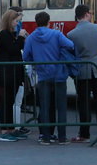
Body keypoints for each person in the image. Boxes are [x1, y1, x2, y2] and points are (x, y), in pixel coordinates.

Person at [22, 11, 75, 145]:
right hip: (59, 75)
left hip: (43, 75)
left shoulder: (31, 37)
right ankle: (62, 137)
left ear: (36, 22)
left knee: (44, 107)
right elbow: (71, 45)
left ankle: (45, 137)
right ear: (48, 22)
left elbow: (26, 56)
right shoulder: (56, 34)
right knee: (61, 108)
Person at [67, 4, 97, 142]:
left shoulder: (71, 34)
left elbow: (71, 53)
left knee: (84, 103)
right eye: (90, 13)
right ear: (86, 14)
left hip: (82, 71)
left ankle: (84, 134)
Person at [0, 9, 29, 142]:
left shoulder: (9, 34)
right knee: (6, 101)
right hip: (6, 73)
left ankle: (11, 128)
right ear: (9, 21)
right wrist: (21, 37)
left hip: (12, 73)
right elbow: (13, 50)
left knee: (10, 101)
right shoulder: (3, 35)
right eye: (16, 21)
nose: (17, 24)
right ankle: (5, 130)